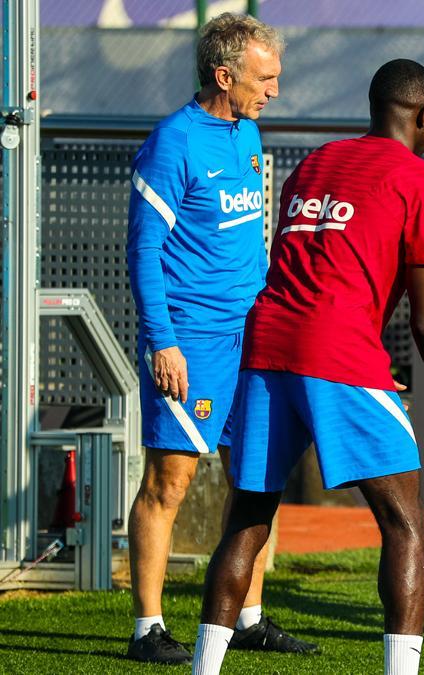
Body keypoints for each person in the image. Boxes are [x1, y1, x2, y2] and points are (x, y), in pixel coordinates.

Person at [190, 58, 424, 675]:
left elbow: (318, 268)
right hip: (338, 353)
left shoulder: (314, 163)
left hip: (267, 345)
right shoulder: (423, 181)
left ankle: (204, 668)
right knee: (405, 522)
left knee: (248, 516)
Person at [124, 13, 316, 664]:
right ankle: (147, 626)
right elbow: (144, 250)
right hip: (192, 340)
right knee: (169, 482)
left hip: (253, 334)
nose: (274, 92)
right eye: (265, 79)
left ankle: (249, 615)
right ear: (224, 75)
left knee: (256, 475)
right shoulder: (172, 143)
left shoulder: (249, 133)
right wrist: (163, 341)